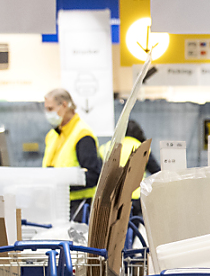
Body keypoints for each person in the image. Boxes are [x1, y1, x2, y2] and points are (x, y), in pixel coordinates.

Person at [42, 89, 102, 220]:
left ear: (64, 105)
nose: (48, 113)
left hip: (79, 207)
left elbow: (93, 175)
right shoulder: (52, 135)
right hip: (58, 204)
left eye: (50, 109)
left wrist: (62, 183)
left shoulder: (82, 134)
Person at [100, 120, 160, 218]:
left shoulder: (107, 147)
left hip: (110, 198)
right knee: (133, 224)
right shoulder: (142, 148)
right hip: (135, 197)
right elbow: (156, 172)